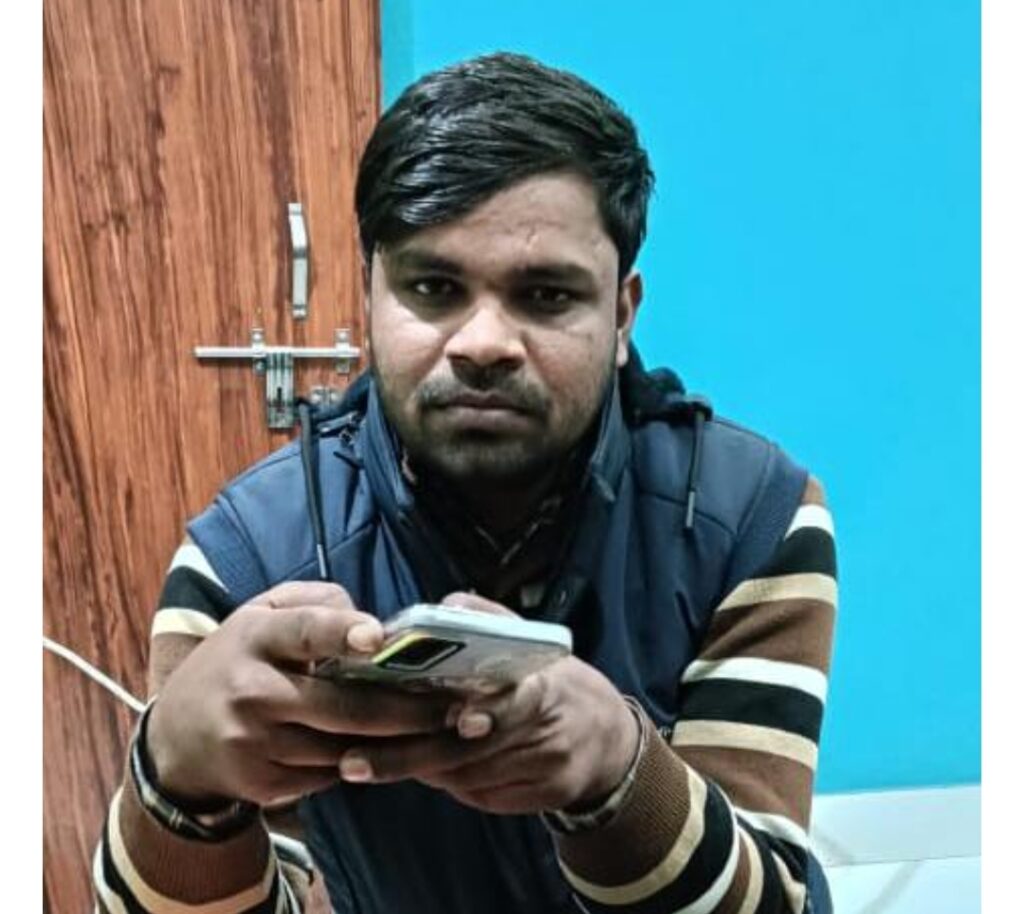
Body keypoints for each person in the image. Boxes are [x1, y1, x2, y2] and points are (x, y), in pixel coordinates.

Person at [93, 52, 837, 914]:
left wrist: (617, 770)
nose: (484, 342)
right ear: (370, 295)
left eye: (546, 296)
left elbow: (771, 901)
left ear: (622, 313)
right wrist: (176, 785)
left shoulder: (753, 520)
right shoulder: (245, 557)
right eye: (434, 287)